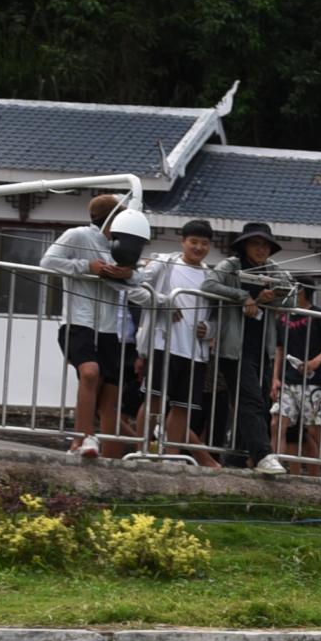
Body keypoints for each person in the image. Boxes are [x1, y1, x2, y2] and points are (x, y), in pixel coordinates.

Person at [38, 193, 140, 458]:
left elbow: (139, 281)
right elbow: (48, 262)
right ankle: (82, 439)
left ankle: (102, 452)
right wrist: (87, 267)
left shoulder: (122, 247)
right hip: (77, 320)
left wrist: (128, 274)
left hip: (110, 327)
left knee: (109, 396)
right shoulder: (78, 235)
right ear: (111, 218)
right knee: (90, 373)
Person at [126, 219, 223, 465]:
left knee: (183, 407)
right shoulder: (164, 264)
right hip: (163, 344)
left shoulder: (211, 277)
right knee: (154, 400)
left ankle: (171, 457)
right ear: (183, 242)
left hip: (195, 352)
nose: (198, 247)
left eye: (204, 243)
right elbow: (135, 291)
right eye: (194, 242)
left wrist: (209, 329)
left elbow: (216, 318)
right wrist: (164, 302)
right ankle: (142, 451)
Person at [204, 221, 290, 469]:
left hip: (263, 348)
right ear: (245, 246)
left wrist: (270, 298)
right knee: (249, 398)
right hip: (234, 348)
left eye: (265, 245)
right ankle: (263, 455)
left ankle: (239, 458)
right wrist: (244, 297)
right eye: (255, 244)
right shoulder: (230, 266)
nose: (261, 249)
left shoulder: (273, 269)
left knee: (260, 402)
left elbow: (292, 295)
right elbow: (208, 285)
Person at [267, 279, 321, 474]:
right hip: (288, 380)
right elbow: (280, 348)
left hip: (313, 382)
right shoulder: (283, 317)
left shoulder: (319, 314)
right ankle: (276, 466)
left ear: (302, 289)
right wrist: (275, 378)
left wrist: (316, 362)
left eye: (293, 286)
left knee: (314, 430)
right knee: (277, 423)